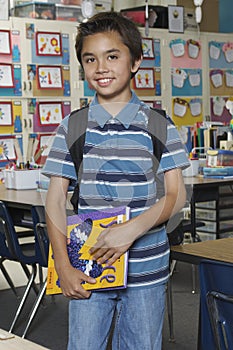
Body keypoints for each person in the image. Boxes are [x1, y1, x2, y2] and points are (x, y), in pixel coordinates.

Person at [43, 11, 189, 350]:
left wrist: (132, 230)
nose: (101, 67)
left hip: (146, 273)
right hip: (88, 268)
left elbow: (176, 196)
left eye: (113, 56)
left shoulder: (159, 125)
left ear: (136, 61)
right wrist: (63, 266)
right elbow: (54, 200)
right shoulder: (73, 127)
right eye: (90, 59)